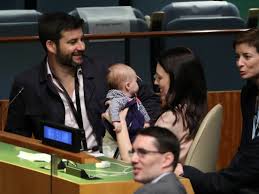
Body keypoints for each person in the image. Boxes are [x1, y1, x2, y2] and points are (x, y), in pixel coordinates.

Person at [4, 12, 160, 151]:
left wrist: (141, 127)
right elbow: (16, 139)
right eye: (72, 42)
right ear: (51, 46)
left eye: (82, 39)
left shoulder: (104, 71)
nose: (82, 46)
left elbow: (150, 99)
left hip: (106, 161)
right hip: (56, 167)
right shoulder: (27, 83)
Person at [175, 29, 259, 194]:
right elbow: (245, 150)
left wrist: (188, 172)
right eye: (237, 57)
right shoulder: (249, 93)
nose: (239, 63)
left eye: (247, 57)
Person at [116, 47, 207, 163]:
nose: (155, 82)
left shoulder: (172, 119)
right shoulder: (191, 111)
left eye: (160, 77)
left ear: (177, 81)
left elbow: (133, 161)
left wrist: (120, 123)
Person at [131, 126, 186, 194]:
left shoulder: (147, 192)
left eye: (143, 152)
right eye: (133, 152)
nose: (133, 159)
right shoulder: (178, 187)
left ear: (167, 160)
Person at [104, 63, 150, 139]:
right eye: (136, 81)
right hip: (125, 135)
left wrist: (146, 121)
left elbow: (141, 109)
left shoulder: (133, 99)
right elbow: (113, 107)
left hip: (135, 130)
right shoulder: (119, 99)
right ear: (128, 86)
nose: (138, 83)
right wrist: (116, 122)